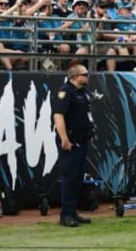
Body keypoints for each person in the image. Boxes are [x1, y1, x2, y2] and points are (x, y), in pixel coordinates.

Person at [52, 64, 94, 228]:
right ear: (75, 77)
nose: (88, 76)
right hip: (70, 141)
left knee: (77, 178)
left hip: (82, 140)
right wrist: (64, 139)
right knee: (69, 178)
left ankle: (72, 210)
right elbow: (58, 115)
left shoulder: (82, 93)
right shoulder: (66, 92)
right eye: (85, 74)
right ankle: (66, 215)